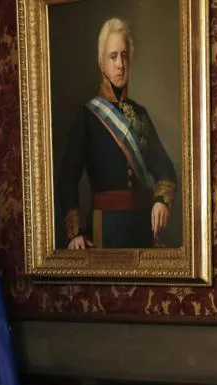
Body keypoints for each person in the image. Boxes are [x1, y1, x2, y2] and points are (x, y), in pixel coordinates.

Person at [56, 17, 177, 249]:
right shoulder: (87, 116)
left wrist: (161, 201)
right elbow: (67, 179)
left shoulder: (140, 114)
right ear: (101, 63)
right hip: (106, 228)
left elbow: (165, 169)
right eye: (113, 57)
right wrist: (74, 234)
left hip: (143, 228)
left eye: (124, 55)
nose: (120, 64)